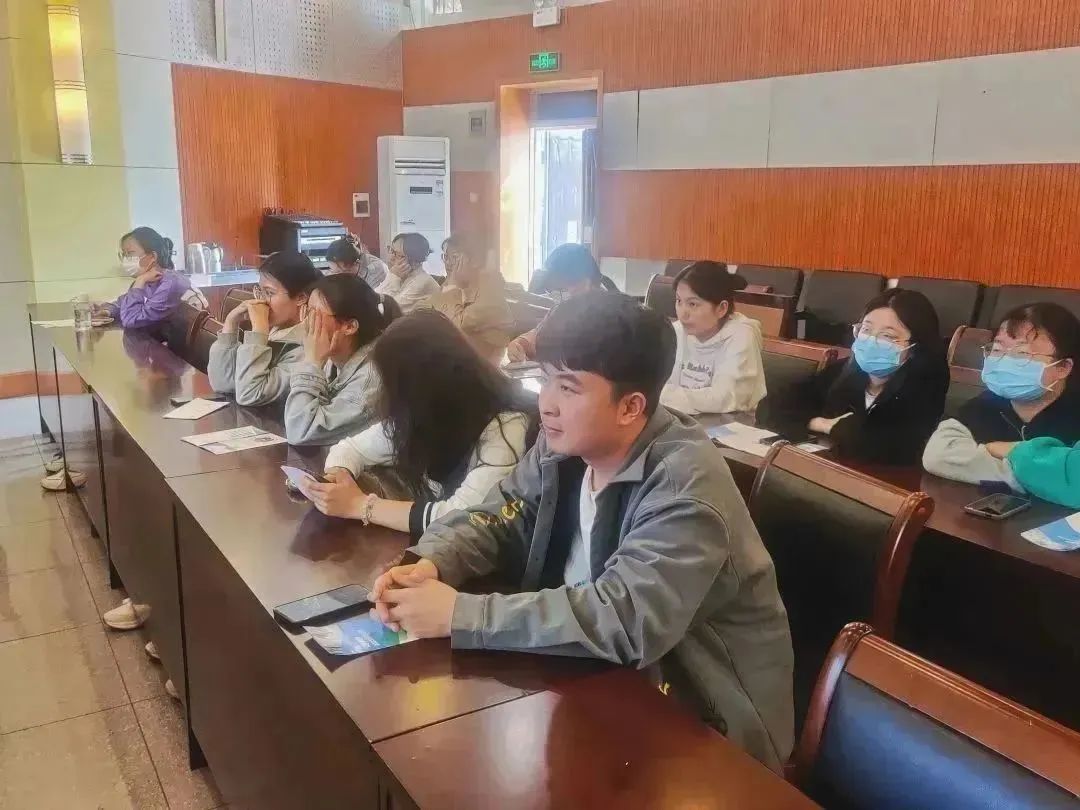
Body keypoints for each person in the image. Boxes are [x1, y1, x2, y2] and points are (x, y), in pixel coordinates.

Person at [367, 291, 795, 772]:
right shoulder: (564, 445)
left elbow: (626, 617)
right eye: (546, 379)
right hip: (590, 674)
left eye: (568, 388)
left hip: (702, 719)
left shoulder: (685, 487)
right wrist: (429, 561)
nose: (546, 403)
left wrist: (460, 615)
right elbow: (502, 513)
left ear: (630, 407)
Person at [299, 310, 537, 538]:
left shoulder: (507, 424)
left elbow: (465, 517)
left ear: (424, 387)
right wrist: (338, 477)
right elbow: (352, 448)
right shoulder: (428, 413)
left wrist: (360, 506)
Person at [758, 288, 948, 465]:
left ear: (916, 347)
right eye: (866, 330)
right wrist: (824, 424)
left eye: (888, 336)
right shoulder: (845, 371)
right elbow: (769, 406)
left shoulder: (928, 383)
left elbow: (889, 445)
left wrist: (835, 428)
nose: (871, 341)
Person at [923, 303, 1080, 494]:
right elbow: (938, 455)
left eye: (1022, 353)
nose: (1005, 361)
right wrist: (1047, 476)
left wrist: (991, 454)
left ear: (1063, 367)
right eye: (997, 350)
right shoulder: (988, 402)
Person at [284, 274, 399, 445]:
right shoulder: (333, 355)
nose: (306, 322)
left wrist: (311, 363)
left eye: (315, 314)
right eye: (307, 311)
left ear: (349, 326)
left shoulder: (371, 379)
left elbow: (300, 430)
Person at [208, 251, 322, 406]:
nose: (261, 301)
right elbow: (223, 385)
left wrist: (259, 333)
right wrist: (230, 323)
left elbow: (249, 395)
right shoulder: (276, 330)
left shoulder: (307, 346)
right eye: (259, 291)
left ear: (301, 298)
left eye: (269, 293)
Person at [661, 261, 767, 415]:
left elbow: (724, 398)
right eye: (679, 301)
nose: (683, 313)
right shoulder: (677, 331)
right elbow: (659, 381)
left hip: (731, 423)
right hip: (681, 420)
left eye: (693, 304)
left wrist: (665, 395)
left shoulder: (741, 335)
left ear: (721, 308)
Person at [506, 243, 618, 362]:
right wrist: (520, 344)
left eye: (567, 286)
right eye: (559, 289)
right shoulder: (565, 309)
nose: (564, 294)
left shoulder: (614, 316)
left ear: (588, 280)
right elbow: (538, 335)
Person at [424, 234, 514, 365]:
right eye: (445, 257)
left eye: (455, 258)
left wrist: (453, 286)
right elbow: (425, 311)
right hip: (453, 360)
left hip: (483, 365)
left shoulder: (491, 290)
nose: (447, 263)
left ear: (475, 261)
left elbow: (455, 329)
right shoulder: (453, 283)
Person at [98, 227, 206, 328]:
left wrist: (140, 281)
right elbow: (123, 304)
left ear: (153, 256)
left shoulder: (170, 284)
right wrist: (106, 311)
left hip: (183, 342)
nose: (126, 260)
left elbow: (130, 319)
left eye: (130, 254)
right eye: (124, 255)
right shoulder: (148, 280)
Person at [376, 232, 440, 314]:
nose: (391, 257)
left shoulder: (422, 282)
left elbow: (385, 311)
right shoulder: (402, 276)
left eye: (398, 255)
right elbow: (373, 299)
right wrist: (392, 276)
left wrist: (393, 276)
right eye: (391, 251)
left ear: (415, 261)